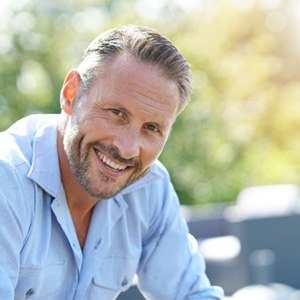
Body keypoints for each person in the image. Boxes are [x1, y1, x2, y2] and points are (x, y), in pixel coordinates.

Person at [0, 24, 224, 299]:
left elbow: (193, 293)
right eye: (116, 112)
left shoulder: (149, 188)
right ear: (71, 94)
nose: (128, 148)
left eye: (152, 128)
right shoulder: (7, 179)